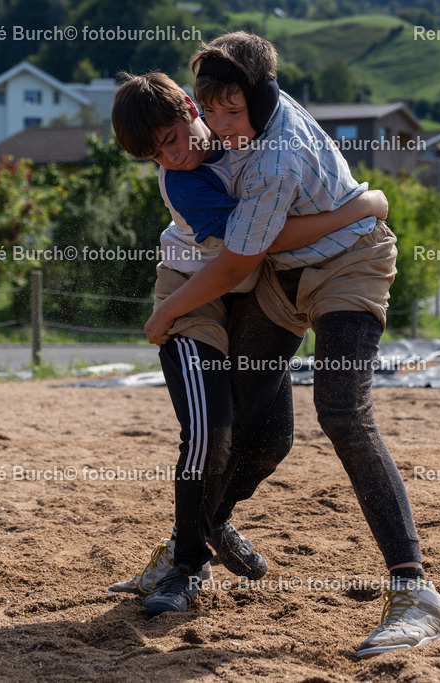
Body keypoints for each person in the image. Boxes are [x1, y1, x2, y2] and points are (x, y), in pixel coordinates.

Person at [141, 32, 440, 657]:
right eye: (214, 111)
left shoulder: (275, 156)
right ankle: (190, 550)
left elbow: (238, 260)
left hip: (348, 262)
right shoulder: (210, 133)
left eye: (236, 111)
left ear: (262, 97)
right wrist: (366, 196)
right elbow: (251, 249)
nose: (224, 127)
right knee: (254, 425)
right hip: (279, 276)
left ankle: (415, 593)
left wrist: (364, 207)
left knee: (341, 410)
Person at [106, 71, 389, 617]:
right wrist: (361, 206)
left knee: (271, 442)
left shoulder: (244, 128)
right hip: (194, 297)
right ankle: (185, 565)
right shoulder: (183, 182)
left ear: (191, 107)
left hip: (251, 295)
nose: (171, 157)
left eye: (172, 139)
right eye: (155, 155)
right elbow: (254, 247)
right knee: (210, 431)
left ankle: (212, 523)